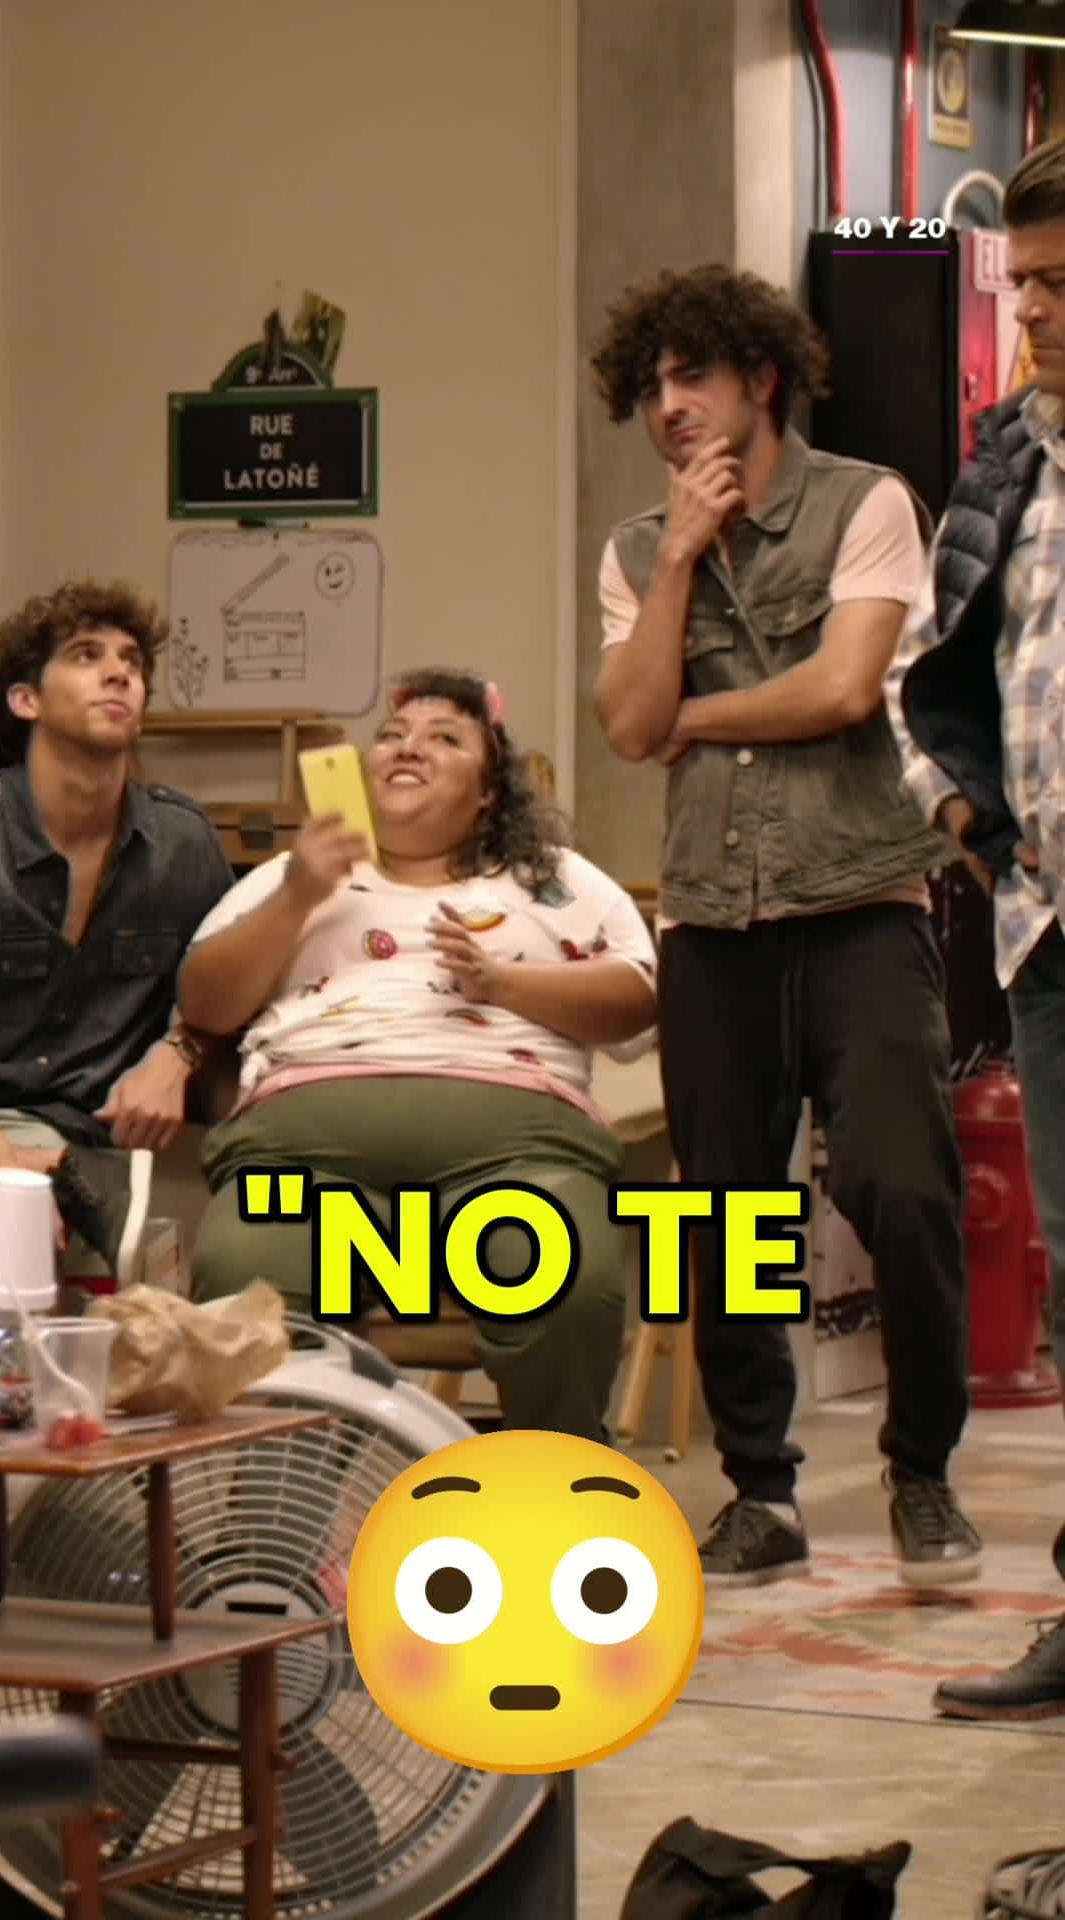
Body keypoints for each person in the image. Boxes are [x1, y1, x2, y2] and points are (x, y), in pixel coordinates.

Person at [591, 264, 980, 1587]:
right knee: (724, 1217)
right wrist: (682, 556)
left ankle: (922, 1470)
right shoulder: (637, 550)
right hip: (712, 917)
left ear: (761, 378)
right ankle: (762, 1490)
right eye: (651, 386)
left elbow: (843, 686)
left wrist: (685, 716)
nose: (669, 407)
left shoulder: (867, 501)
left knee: (903, 1189)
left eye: (693, 376)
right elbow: (624, 722)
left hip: (862, 901)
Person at [177, 668, 657, 1441]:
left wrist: (503, 983)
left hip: (518, 1152)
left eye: (445, 739)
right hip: (303, 1154)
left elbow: (637, 997)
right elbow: (205, 1004)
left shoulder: (554, 878)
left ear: (489, 790)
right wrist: (299, 894)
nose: (408, 748)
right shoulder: (291, 878)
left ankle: (552, 1490)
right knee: (245, 1277)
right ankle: (288, 1507)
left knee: (566, 1281)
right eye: (393, 736)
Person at [887, 134, 1065, 1716]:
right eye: (1030, 288)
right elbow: (926, 681)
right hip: (1050, 936)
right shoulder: (1010, 458)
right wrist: (972, 828)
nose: (1041, 317)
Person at [0, 580, 234, 1279]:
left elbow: (233, 990)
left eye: (132, 661)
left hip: (111, 1143)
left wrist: (178, 1054)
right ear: (26, 700)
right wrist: (3, 1171)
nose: (120, 672)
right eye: (86, 655)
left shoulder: (181, 841)